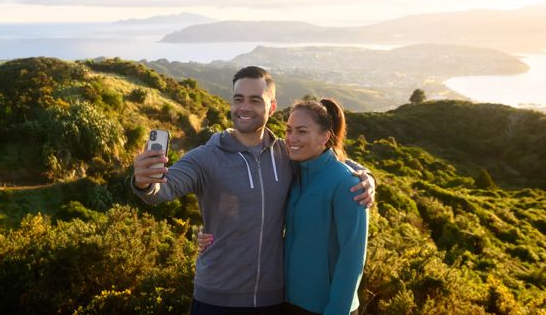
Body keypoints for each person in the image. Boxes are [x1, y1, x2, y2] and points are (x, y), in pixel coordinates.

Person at [132, 66, 375, 314]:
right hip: (216, 299)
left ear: (271, 107)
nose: (244, 107)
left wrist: (367, 177)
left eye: (255, 100)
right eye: (238, 99)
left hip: (273, 300)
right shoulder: (205, 158)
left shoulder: (285, 154)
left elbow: (327, 163)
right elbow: (165, 188)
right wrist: (146, 182)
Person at [283, 98, 368, 315]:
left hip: (327, 307)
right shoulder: (293, 173)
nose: (292, 138)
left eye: (301, 131)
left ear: (325, 136)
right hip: (289, 300)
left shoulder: (348, 184)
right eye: (289, 130)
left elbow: (352, 258)